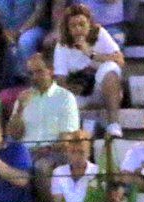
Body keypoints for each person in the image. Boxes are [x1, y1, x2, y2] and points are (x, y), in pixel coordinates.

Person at [7, 51, 78, 202]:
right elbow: (14, 134)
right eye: (31, 73)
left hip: (55, 152)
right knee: (5, 166)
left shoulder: (65, 98)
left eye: (39, 71)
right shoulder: (23, 98)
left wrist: (45, 149)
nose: (34, 77)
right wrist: (19, 110)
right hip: (26, 152)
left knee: (41, 166)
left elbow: (67, 138)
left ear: (50, 70)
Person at [52, 2, 124, 138]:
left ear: (89, 24)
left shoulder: (100, 34)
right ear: (68, 29)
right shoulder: (62, 45)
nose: (78, 29)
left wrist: (91, 54)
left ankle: (114, 124)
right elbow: (60, 79)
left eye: (82, 24)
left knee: (110, 68)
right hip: (78, 93)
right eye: (73, 26)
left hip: (101, 89)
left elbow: (119, 60)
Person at [50, 127, 96, 202]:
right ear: (67, 152)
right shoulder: (58, 172)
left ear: (88, 153)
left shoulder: (97, 172)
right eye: (73, 152)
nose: (76, 156)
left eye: (81, 152)